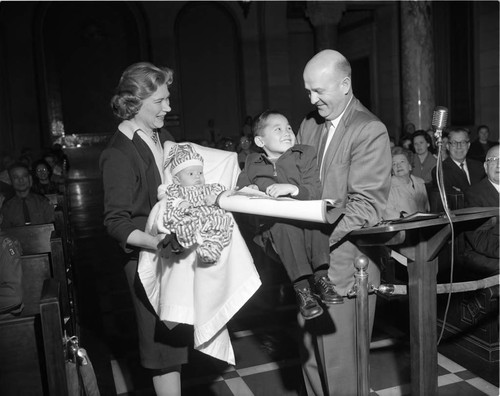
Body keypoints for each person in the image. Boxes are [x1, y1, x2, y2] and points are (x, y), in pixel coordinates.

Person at [297, 49, 391, 395]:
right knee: (311, 364)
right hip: (307, 273)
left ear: (346, 84)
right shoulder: (309, 124)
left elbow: (366, 206)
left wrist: (314, 242)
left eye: (319, 91)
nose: (311, 99)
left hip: (343, 272)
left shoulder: (368, 129)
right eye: (308, 90)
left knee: (341, 376)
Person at [99, 62, 189, 395]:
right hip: (145, 260)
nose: (168, 106)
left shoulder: (160, 135)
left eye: (168, 98)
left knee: (174, 340)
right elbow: (116, 222)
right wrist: (156, 243)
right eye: (160, 101)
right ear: (135, 103)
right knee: (162, 349)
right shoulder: (118, 154)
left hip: (169, 251)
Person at [237, 110, 343, 321]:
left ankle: (322, 278)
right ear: (260, 140)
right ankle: (303, 289)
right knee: (281, 222)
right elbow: (240, 191)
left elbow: (314, 189)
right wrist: (250, 190)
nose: (287, 132)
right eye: (278, 129)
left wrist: (292, 190)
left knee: (315, 214)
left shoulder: (304, 154)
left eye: (288, 127)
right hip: (273, 231)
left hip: (307, 224)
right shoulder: (252, 162)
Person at [159, 143, 233, 264]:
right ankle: (182, 240)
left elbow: (226, 193)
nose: (198, 177)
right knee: (179, 219)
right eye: (191, 174)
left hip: (208, 215)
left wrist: (216, 198)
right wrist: (180, 202)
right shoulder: (176, 189)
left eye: (200, 173)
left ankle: (212, 246)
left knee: (223, 219)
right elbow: (168, 199)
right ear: (177, 180)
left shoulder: (210, 188)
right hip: (190, 215)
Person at [463, 145, 499, 275]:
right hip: (484, 255)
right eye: (494, 159)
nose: (499, 164)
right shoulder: (474, 194)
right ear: (485, 166)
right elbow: (479, 238)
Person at [431, 127, 485, 195]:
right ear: (447, 146)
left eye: (463, 142)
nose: (459, 146)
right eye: (454, 142)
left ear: (468, 145)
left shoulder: (479, 167)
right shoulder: (440, 171)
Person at [0, 162, 55, 228]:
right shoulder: (7, 207)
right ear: (11, 181)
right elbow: (5, 233)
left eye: (24, 176)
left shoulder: (43, 202)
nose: (21, 180)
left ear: (30, 179)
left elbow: (53, 229)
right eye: (16, 177)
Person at [385, 147, 429, 219]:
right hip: (401, 227)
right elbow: (387, 213)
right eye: (394, 164)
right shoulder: (388, 187)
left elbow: (427, 209)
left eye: (402, 162)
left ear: (410, 166)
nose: (398, 166)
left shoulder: (420, 183)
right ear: (392, 170)